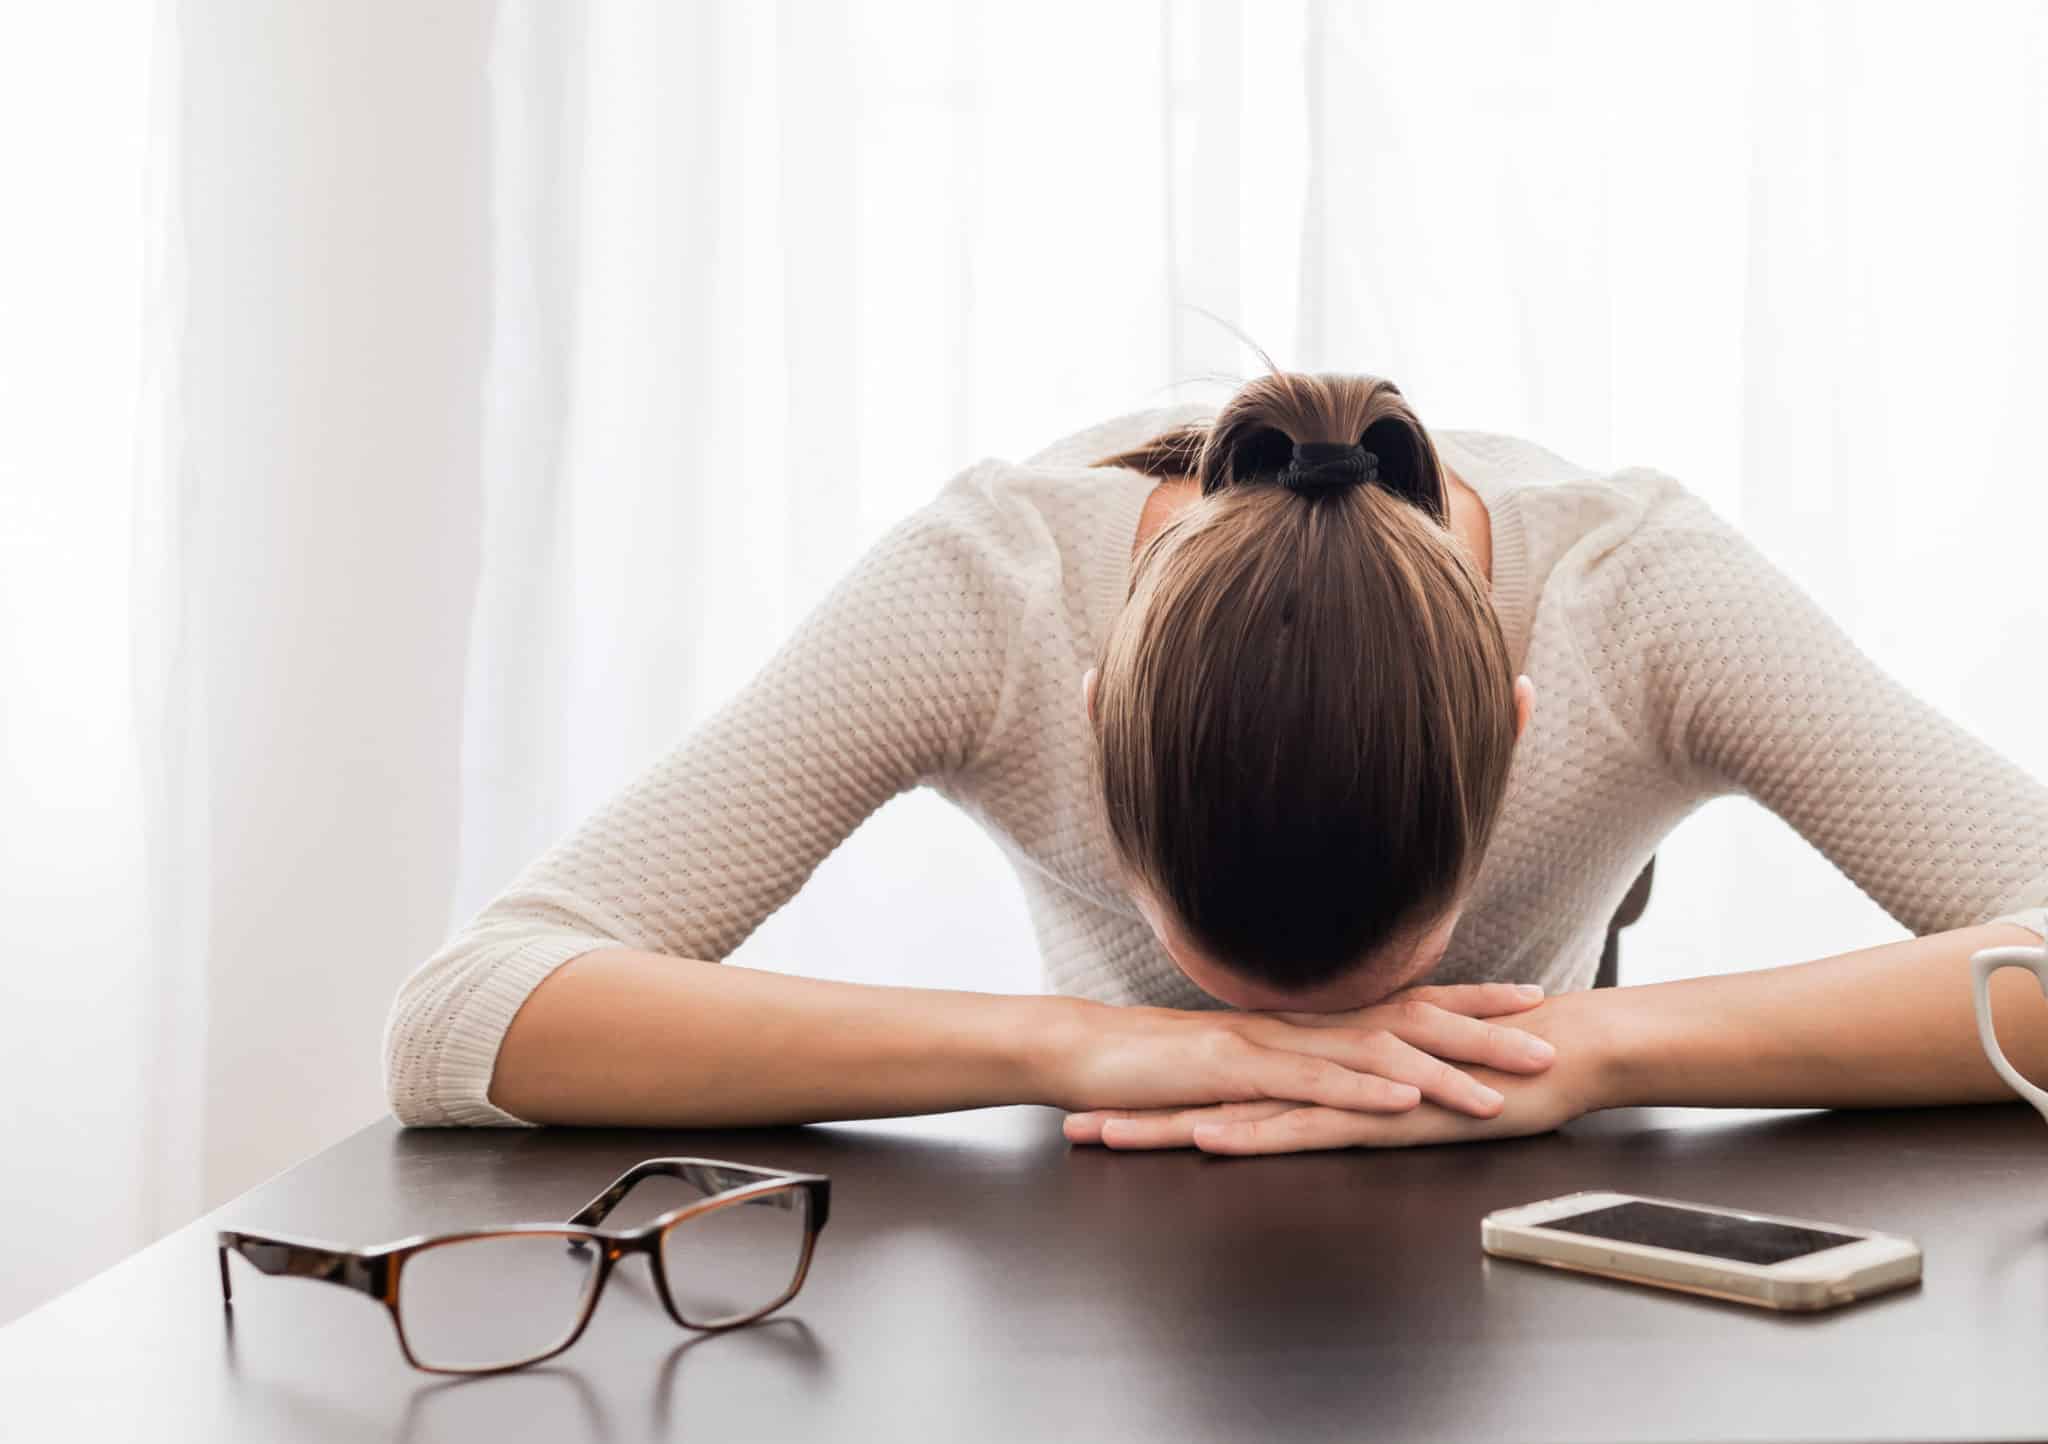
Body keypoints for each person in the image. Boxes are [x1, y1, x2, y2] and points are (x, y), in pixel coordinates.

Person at [382, 367, 2048, 1154]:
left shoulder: (1636, 600)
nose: (1317, 1045)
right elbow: (467, 1015)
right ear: (1093, 717)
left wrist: (1604, 1049)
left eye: (1348, 999)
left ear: (1520, 728)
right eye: (1263, 1005)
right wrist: (1070, 1047)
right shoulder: (996, 593)